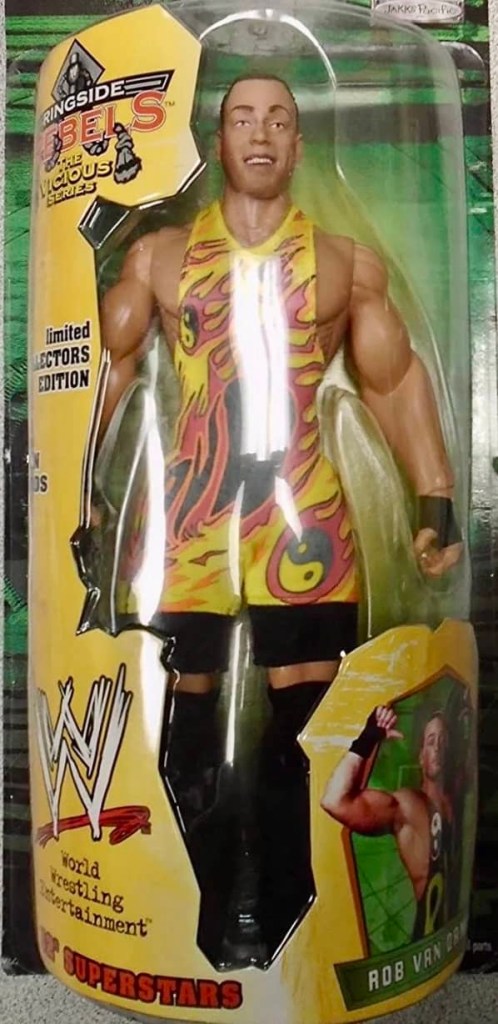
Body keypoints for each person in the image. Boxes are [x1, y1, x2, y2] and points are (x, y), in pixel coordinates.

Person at [82, 74, 462, 968]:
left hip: (306, 525)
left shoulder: (343, 264)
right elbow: (109, 373)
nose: (260, 135)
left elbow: (394, 380)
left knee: (308, 734)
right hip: (188, 524)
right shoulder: (159, 259)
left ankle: (291, 920)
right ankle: (200, 914)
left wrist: (435, 499)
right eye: (243, 120)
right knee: (178, 731)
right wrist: (89, 490)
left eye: (279, 121)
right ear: (217, 142)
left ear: (298, 144)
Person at [321, 705, 455, 941]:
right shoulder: (409, 805)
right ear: (421, 757)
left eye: (443, 741)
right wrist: (367, 738)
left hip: (449, 934)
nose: (438, 748)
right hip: (426, 935)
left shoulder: (456, 802)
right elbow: (335, 800)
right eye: (431, 741)